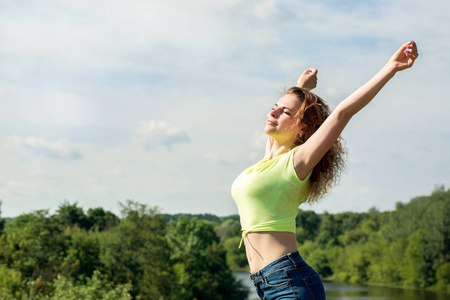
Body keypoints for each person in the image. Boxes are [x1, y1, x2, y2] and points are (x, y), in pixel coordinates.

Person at [231, 41, 419, 300]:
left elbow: (342, 113)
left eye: (284, 111)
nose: (273, 111)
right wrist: (301, 88)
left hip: (288, 282)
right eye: (274, 105)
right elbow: (281, 132)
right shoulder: (268, 162)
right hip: (266, 284)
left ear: (303, 128)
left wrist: (391, 68)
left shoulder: (297, 161)